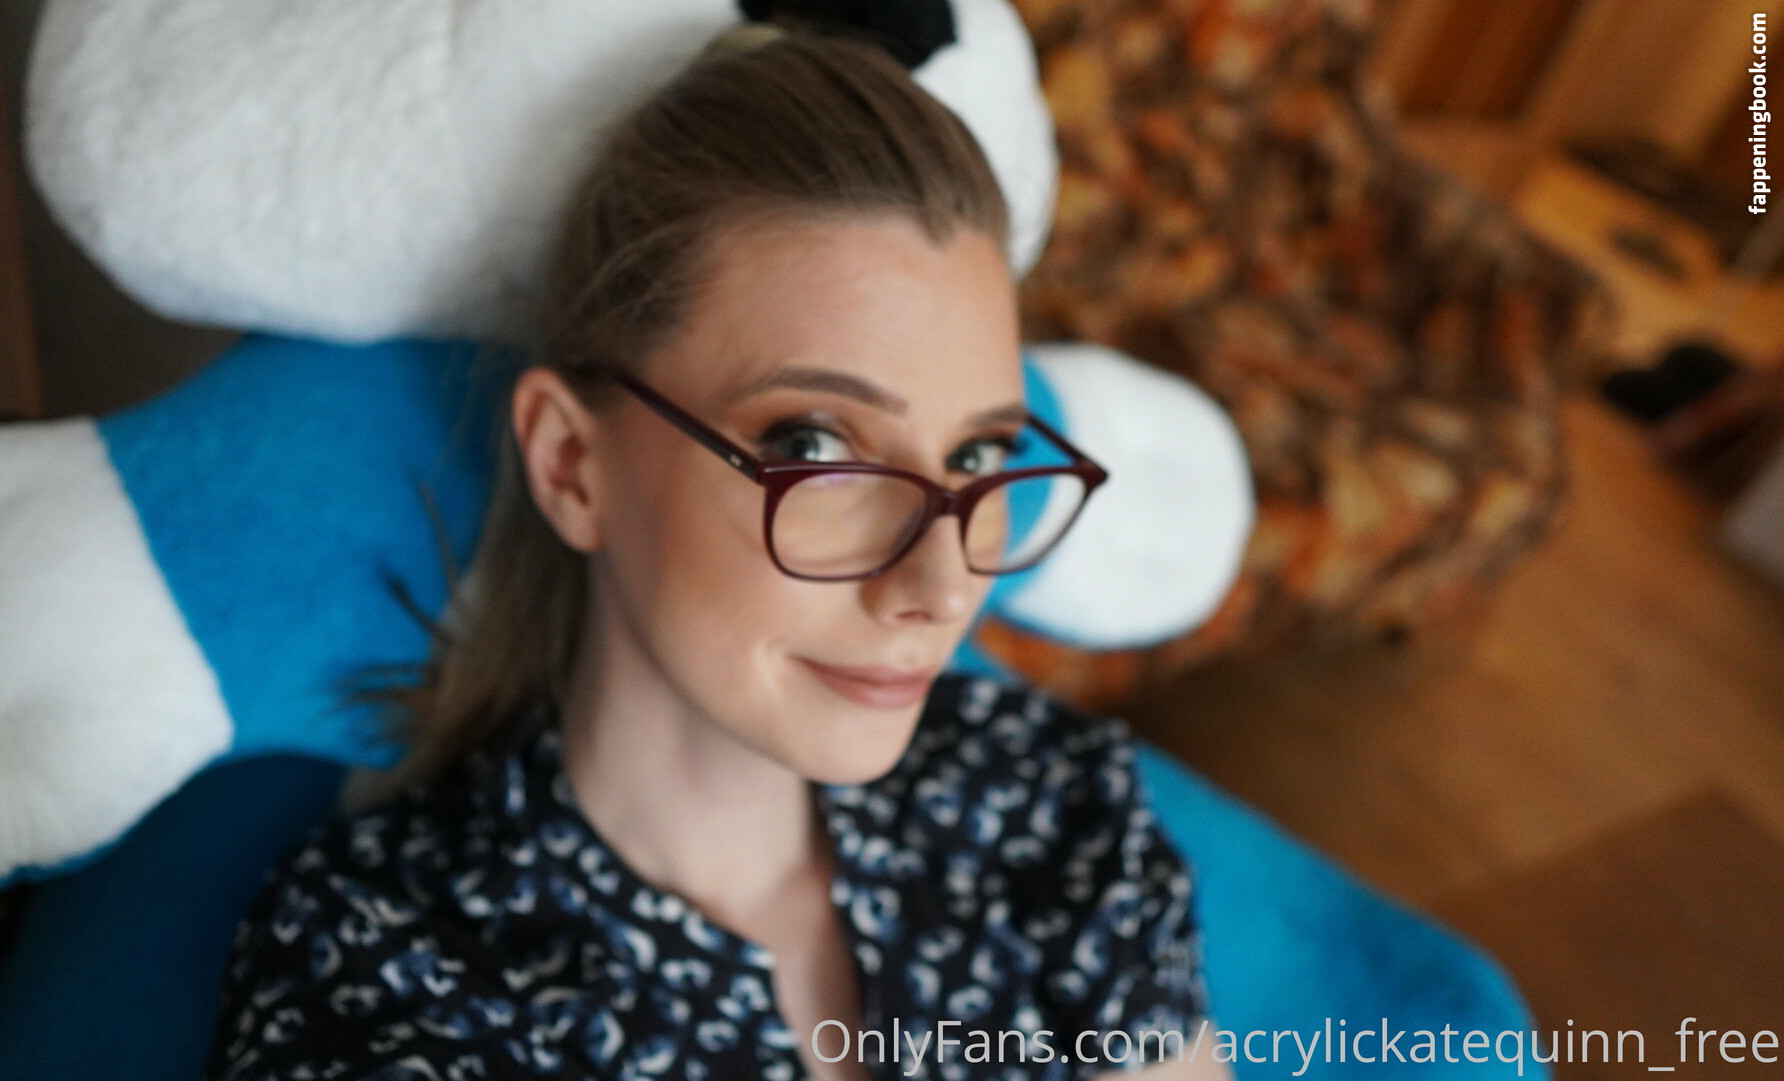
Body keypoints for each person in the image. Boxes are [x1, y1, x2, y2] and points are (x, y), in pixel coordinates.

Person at [201, 19, 1231, 1081]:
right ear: (570, 464)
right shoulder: (385, 972)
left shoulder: (1050, 809)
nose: (940, 585)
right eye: (815, 446)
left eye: (978, 454)